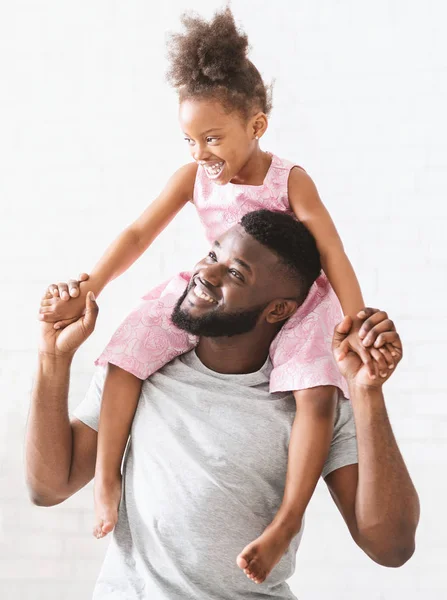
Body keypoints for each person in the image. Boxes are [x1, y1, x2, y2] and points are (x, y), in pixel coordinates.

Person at [38, 7, 390, 582]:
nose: (200, 152)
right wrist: (91, 286)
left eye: (212, 138)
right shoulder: (192, 177)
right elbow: (137, 232)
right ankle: (107, 481)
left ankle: (285, 522)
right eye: (188, 139)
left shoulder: (289, 179)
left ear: (257, 126)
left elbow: (332, 250)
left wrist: (353, 318)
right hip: (213, 284)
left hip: (295, 305)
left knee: (317, 396)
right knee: (128, 348)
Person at [28, 213, 419, 598]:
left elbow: (391, 548)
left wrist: (367, 391)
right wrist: (52, 358)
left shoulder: (312, 403)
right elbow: (49, 487)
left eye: (236, 274)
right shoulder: (140, 370)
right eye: (213, 256)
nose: (206, 274)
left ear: (278, 310)